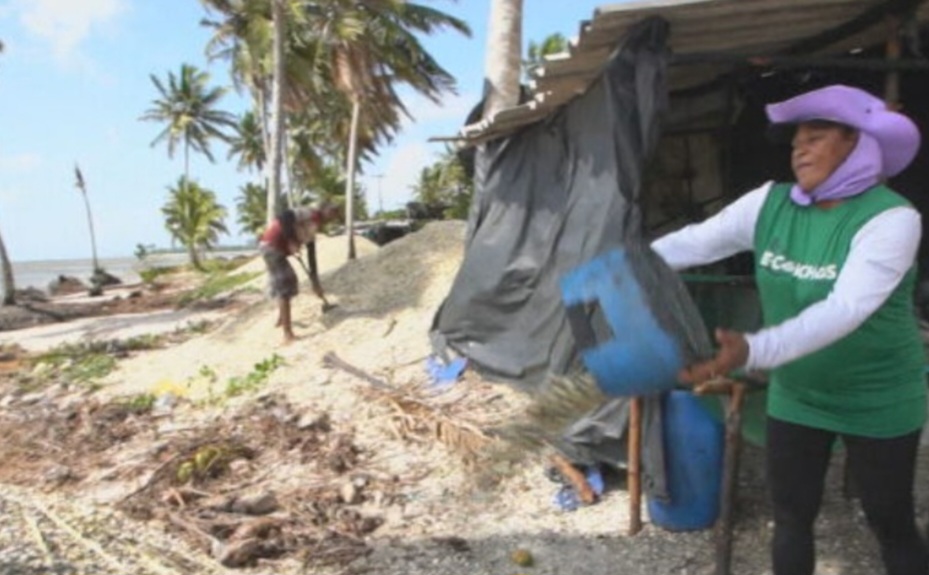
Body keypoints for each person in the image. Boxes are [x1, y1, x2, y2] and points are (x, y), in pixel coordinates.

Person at [651, 85, 928, 575]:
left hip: (878, 395)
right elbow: (695, 243)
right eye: (796, 139)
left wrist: (755, 349)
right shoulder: (769, 204)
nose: (799, 147)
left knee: (889, 519)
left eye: (816, 137)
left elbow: (845, 309)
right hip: (798, 392)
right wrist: (625, 261)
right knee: (792, 518)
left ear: (859, 145)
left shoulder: (893, 219)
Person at [259, 204, 337, 343]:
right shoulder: (309, 213)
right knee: (286, 284)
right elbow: (284, 217)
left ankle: (281, 320)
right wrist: (291, 241)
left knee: (283, 283)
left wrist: (315, 282)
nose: (332, 217)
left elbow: (312, 256)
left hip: (275, 248)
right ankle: (287, 334)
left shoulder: (314, 225)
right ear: (324, 209)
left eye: (335, 215)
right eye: (332, 212)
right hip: (272, 246)